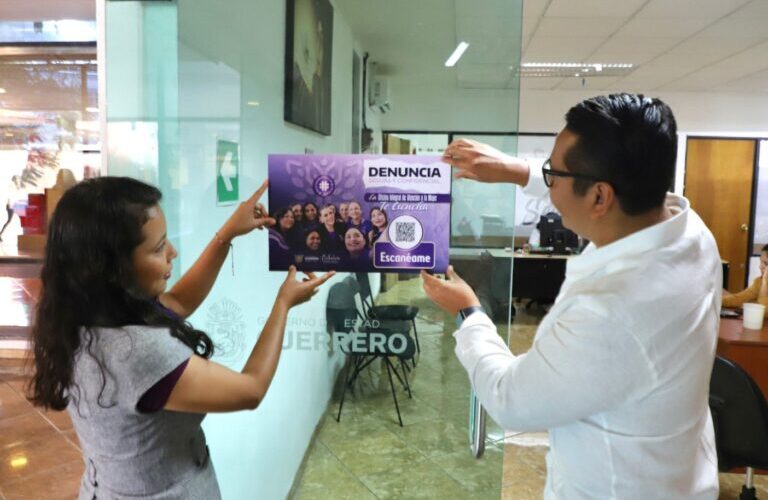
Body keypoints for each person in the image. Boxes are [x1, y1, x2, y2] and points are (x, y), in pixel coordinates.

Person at [422, 94, 721, 499]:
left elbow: (512, 400)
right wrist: (520, 172)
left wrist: (468, 311)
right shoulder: (691, 233)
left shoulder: (613, 311)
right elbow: (614, 203)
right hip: (677, 473)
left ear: (600, 196)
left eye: (553, 173)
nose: (548, 182)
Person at [29, 177, 334, 499]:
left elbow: (177, 303)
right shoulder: (137, 353)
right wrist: (283, 305)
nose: (173, 252)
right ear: (111, 267)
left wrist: (227, 233)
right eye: (159, 248)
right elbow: (251, 389)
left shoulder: (82, 313)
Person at [722, 243, 768, 311]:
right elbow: (739, 299)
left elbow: (764, 312)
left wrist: (764, 283)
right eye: (761, 262)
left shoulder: (763, 282)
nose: (760, 267)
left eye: (766, 263)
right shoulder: (759, 282)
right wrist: (714, 301)